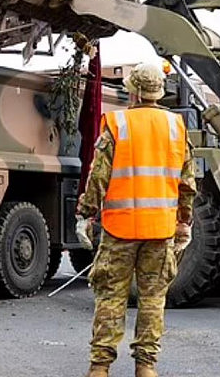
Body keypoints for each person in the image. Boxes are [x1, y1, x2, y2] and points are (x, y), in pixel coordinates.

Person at [75, 62, 196, 377]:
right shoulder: (176, 127)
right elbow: (187, 183)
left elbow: (98, 176)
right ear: (158, 92)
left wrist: (86, 214)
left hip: (120, 229)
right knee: (153, 298)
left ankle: (100, 367)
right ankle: (146, 367)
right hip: (160, 230)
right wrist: (184, 222)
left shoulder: (117, 124)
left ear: (134, 91)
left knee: (110, 296)